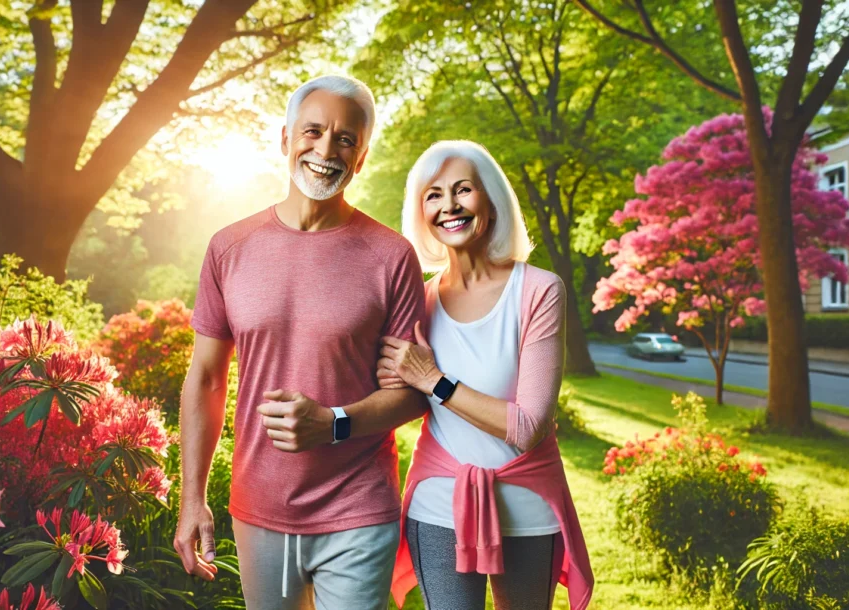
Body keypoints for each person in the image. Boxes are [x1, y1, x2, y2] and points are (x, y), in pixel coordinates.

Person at [173, 75, 428, 610]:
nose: (326, 149)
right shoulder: (228, 247)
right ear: (285, 139)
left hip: (359, 504)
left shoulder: (392, 256)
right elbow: (206, 377)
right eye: (313, 131)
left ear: (360, 159)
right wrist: (191, 499)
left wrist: (332, 422)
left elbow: (411, 392)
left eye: (345, 139)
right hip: (259, 505)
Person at [378, 141, 594, 609]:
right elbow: (393, 383)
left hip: (528, 507)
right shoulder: (419, 298)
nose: (449, 205)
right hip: (438, 502)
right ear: (421, 212)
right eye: (433, 195)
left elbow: (527, 427)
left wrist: (434, 379)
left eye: (462, 190)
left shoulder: (538, 290)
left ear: (491, 201)